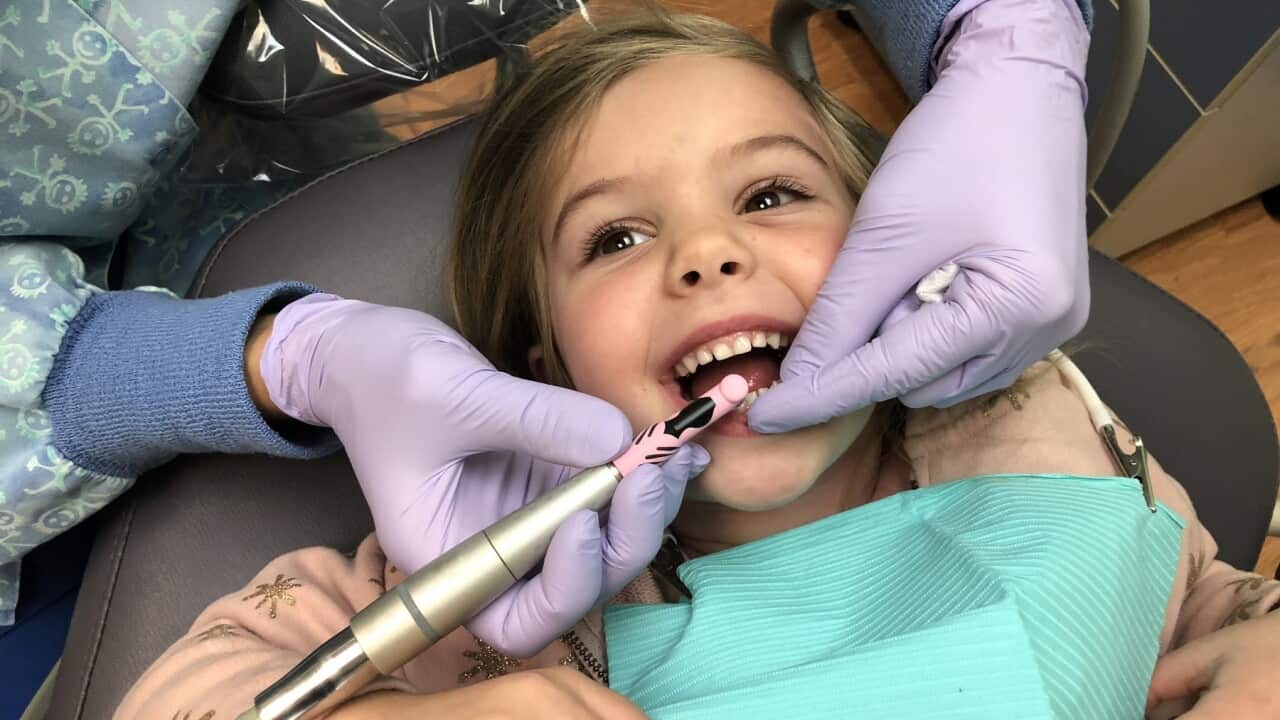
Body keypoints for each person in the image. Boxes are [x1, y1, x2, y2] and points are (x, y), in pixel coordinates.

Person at [115, 12, 1280, 720]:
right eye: (615, 238)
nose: (709, 255)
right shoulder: (488, 559)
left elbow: (1202, 594)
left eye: (771, 194)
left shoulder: (1028, 423)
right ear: (541, 361)